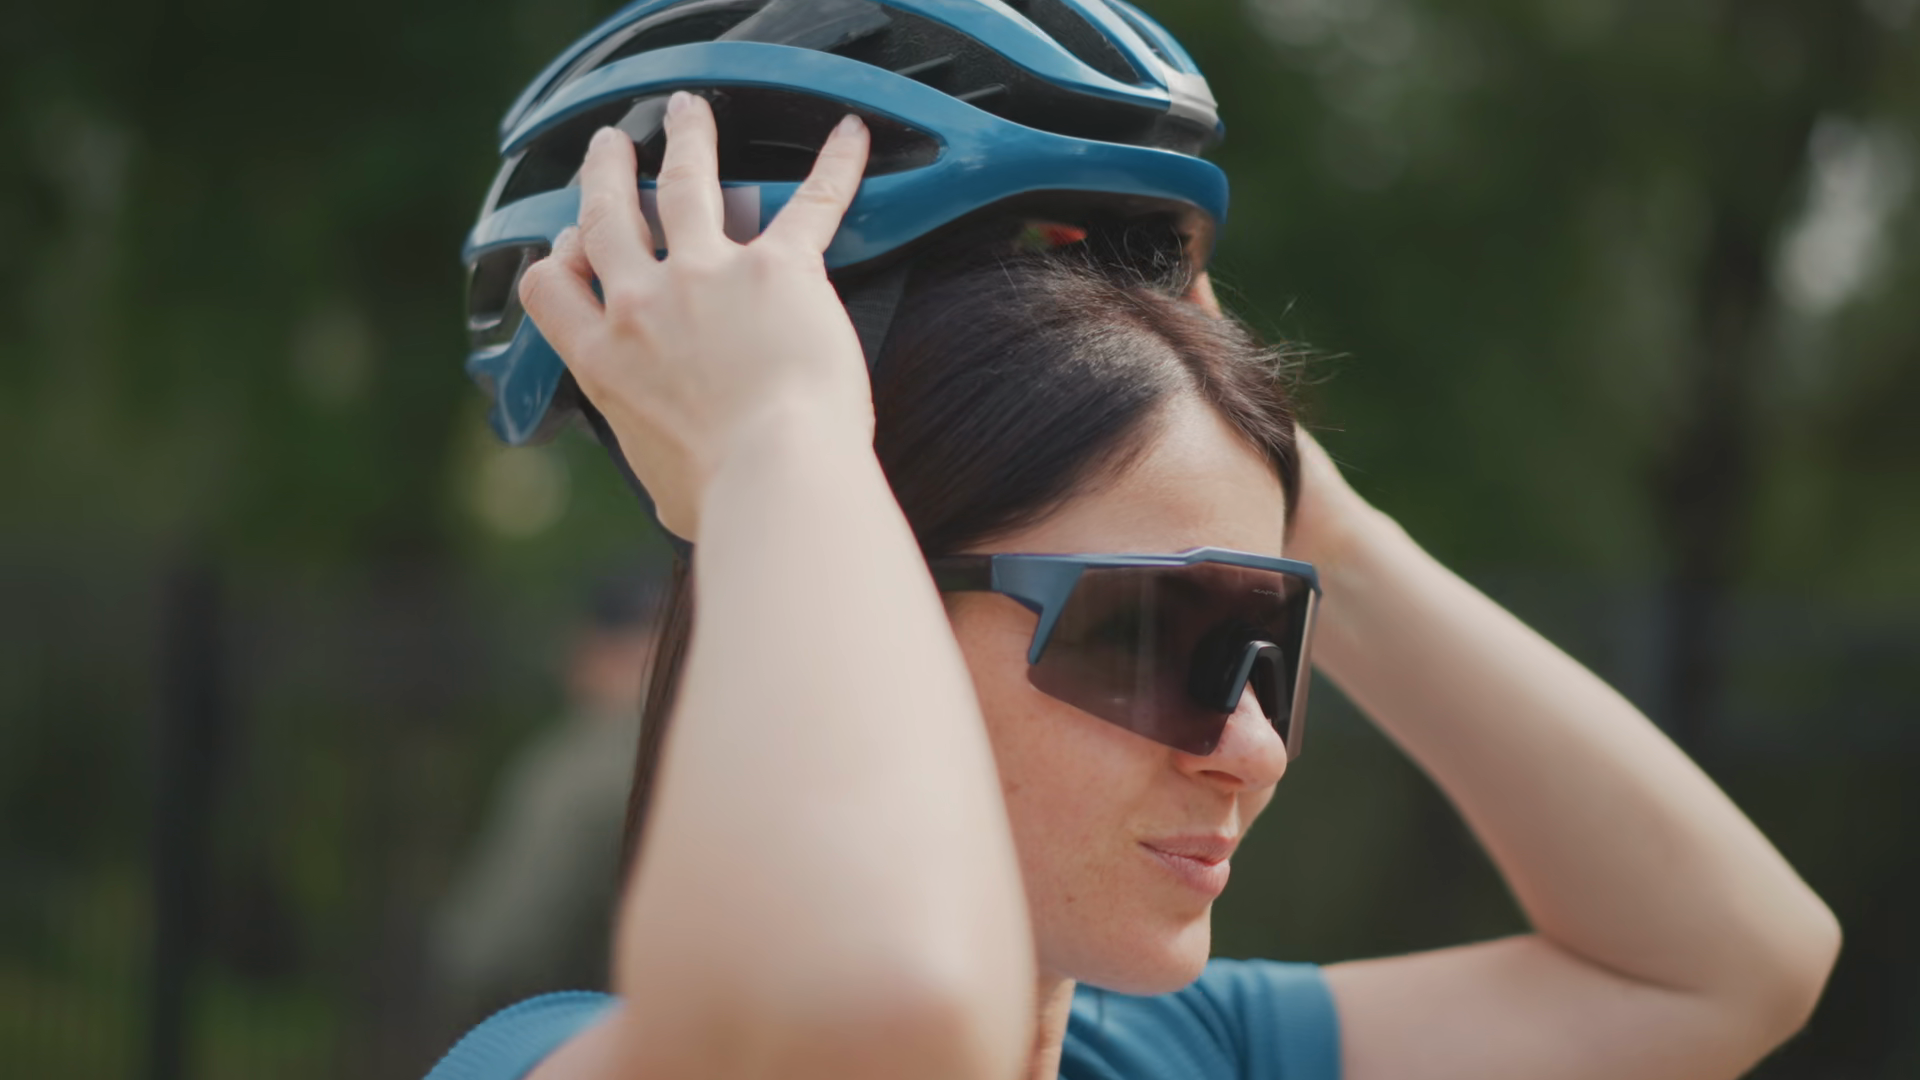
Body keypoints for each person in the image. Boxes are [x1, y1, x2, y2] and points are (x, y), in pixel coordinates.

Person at [432, 4, 1839, 1078]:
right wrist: (777, 446)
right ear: (875, 597)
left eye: (1268, 637)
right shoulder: (558, 1061)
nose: (1256, 747)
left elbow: (1730, 967)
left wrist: (1317, 519)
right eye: (1160, 633)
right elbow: (868, 1017)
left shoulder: (1166, 1051)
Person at [430, 576, 661, 1020]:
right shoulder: (752, 760)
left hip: (615, 1039)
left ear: (593, 652)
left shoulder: (581, 768)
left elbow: (497, 951)